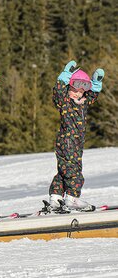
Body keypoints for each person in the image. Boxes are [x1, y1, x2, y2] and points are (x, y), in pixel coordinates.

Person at [48, 60, 104, 212]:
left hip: (76, 143)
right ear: (68, 87)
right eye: (75, 89)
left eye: (82, 90)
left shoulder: (83, 102)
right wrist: (64, 76)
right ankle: (72, 198)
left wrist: (96, 84)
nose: (78, 93)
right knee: (74, 171)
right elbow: (58, 91)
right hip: (67, 141)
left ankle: (56, 197)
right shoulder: (64, 101)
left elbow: (91, 96)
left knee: (64, 170)